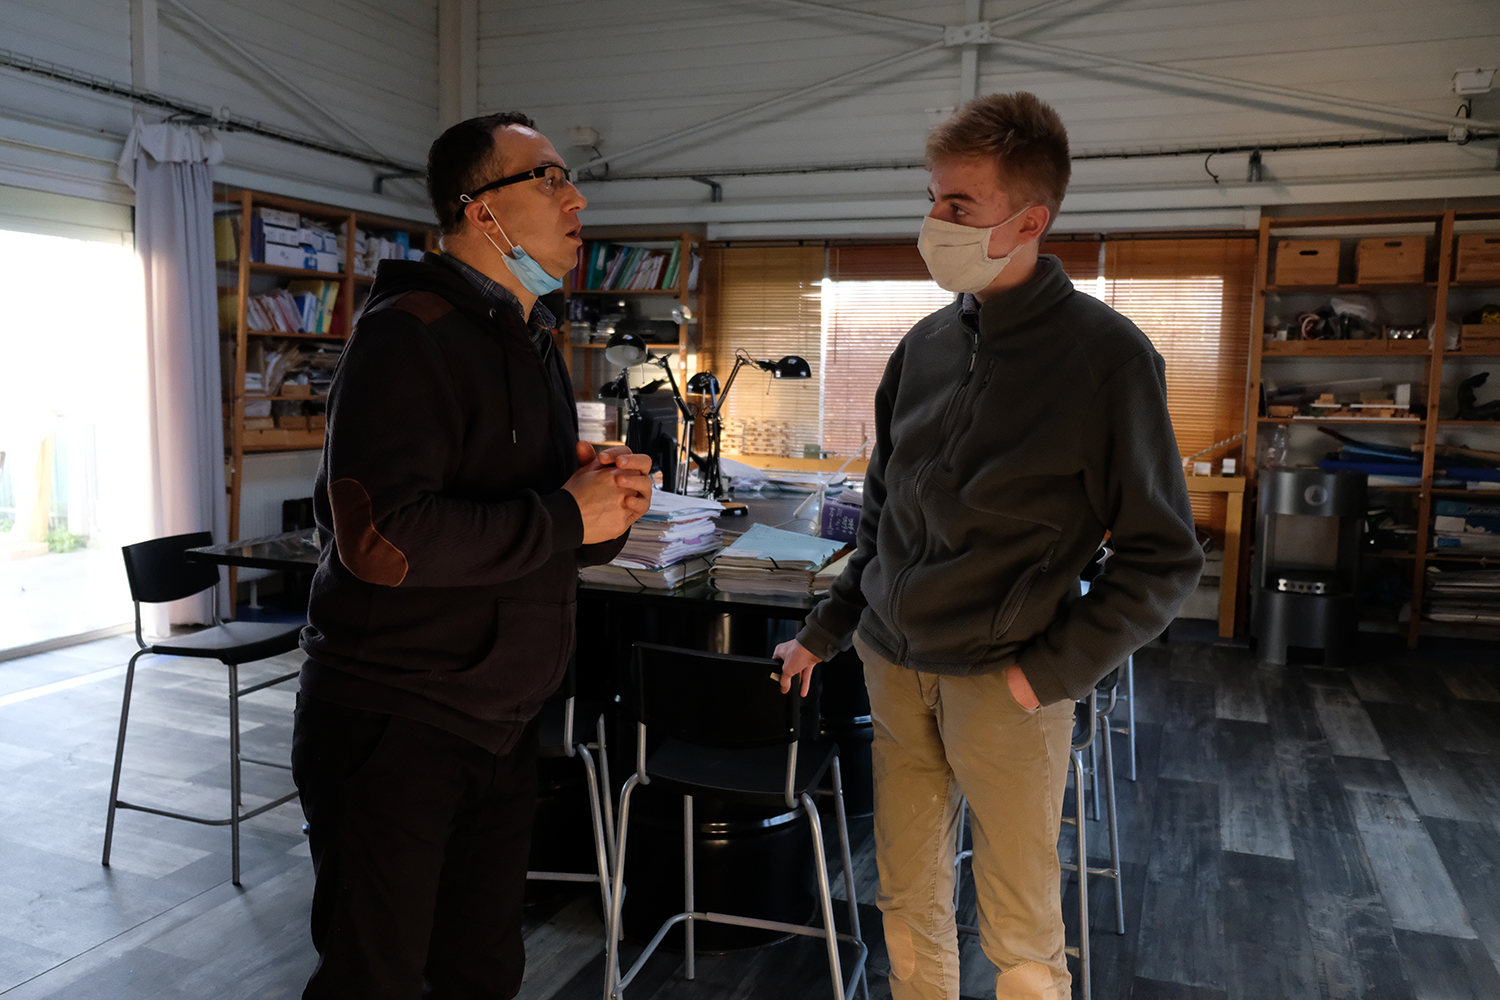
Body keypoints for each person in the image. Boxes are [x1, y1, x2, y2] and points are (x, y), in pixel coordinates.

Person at [774, 92, 1203, 1000]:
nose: (934, 223)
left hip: (1007, 679)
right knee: (906, 893)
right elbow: (885, 514)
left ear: (1030, 220)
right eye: (933, 199)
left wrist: (1048, 673)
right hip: (894, 666)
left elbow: (1163, 558)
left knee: (1018, 925)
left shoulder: (1108, 359)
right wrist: (826, 629)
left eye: (958, 205)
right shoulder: (922, 347)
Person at [292, 112, 652, 1000]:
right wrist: (565, 518)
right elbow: (383, 540)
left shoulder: (529, 335)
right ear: (479, 210)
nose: (576, 197)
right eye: (549, 177)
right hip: (397, 720)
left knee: (482, 971)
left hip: (495, 718)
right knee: (373, 978)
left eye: (569, 177)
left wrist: (605, 506)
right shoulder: (407, 333)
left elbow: (532, 529)